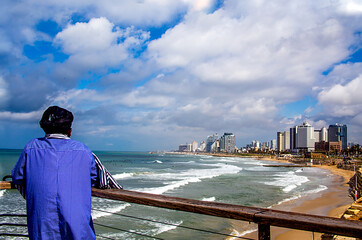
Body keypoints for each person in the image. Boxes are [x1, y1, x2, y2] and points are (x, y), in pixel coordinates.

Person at [12, 106, 97, 240]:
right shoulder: (83, 150)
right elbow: (94, 178)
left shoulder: (31, 147)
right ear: (70, 130)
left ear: (44, 127)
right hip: (76, 223)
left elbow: (18, 177)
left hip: (42, 221)